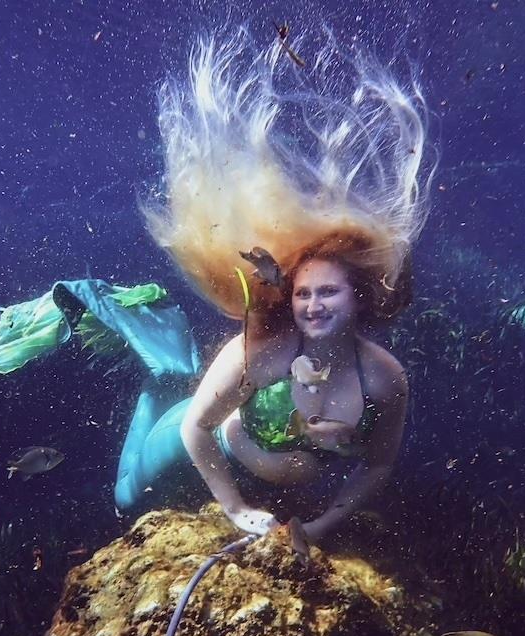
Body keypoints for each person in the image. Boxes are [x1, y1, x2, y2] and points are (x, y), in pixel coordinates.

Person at [111, 29, 434, 542]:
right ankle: (157, 380)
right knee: (125, 498)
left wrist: (323, 525)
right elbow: (197, 430)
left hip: (282, 493)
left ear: (360, 297)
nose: (312, 304)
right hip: (192, 446)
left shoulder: (384, 378)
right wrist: (235, 508)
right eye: (303, 293)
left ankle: (170, 371)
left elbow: (376, 466)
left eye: (328, 292)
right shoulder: (263, 351)